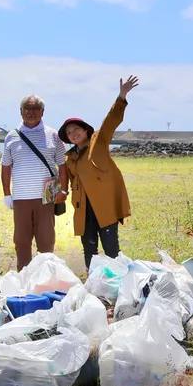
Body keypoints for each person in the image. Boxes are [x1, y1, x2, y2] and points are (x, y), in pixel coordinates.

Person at [59, 76, 138, 271]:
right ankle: (93, 286)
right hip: (83, 210)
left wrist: (122, 96)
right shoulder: (69, 158)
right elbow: (64, 183)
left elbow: (111, 120)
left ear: (86, 131)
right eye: (69, 133)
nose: (73, 134)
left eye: (76, 129)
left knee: (112, 251)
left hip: (104, 207)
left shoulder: (98, 141)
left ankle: (118, 285)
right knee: (89, 250)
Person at [1, 94, 68, 271]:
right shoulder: (11, 136)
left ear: (42, 112)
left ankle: (45, 275)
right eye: (27, 109)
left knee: (46, 240)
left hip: (47, 196)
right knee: (21, 240)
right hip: (21, 197)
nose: (31, 112)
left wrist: (63, 190)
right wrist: (7, 194)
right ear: (21, 111)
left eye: (35, 109)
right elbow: (6, 167)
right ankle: (23, 276)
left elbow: (62, 166)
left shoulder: (53, 135)